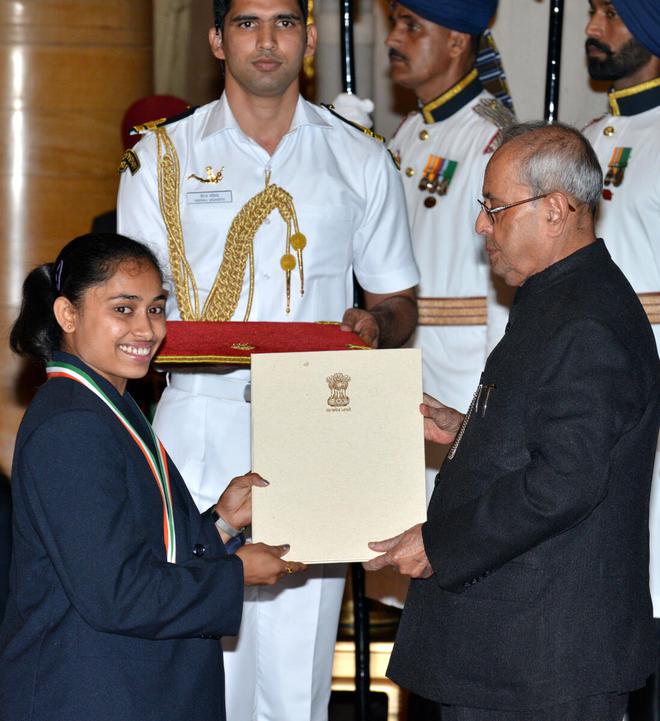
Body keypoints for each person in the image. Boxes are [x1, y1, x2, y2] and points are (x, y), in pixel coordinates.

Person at [116, 1, 420, 719]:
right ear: (218, 38)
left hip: (316, 427)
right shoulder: (164, 155)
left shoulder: (359, 154)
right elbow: (122, 306)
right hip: (197, 420)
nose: (266, 40)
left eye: (284, 22)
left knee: (295, 672)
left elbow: (399, 300)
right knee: (193, 654)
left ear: (310, 38)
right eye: (247, 22)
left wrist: (374, 322)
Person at [365, 122, 660, 720]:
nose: (480, 225)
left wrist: (437, 544)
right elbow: (548, 433)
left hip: (544, 659)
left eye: (494, 208)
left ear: (555, 210)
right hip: (520, 649)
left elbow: (564, 482)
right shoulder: (563, 297)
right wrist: (473, 429)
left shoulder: (586, 322)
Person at [0, 233, 304, 721]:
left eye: (157, 308)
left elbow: (138, 549)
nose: (146, 329)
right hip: (90, 692)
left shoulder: (107, 404)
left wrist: (222, 524)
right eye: (124, 309)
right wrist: (236, 574)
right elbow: (116, 594)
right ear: (67, 315)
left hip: (124, 683)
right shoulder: (72, 425)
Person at [386, 0, 515, 495]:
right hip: (406, 373)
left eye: (411, 26)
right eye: (396, 24)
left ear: (458, 42)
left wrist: (493, 403)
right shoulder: (404, 137)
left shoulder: (492, 138)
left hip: (463, 378)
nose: (394, 39)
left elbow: (507, 286)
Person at [581, 3, 660, 718]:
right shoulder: (583, 140)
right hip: (587, 397)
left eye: (613, 10)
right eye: (593, 8)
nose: (593, 23)